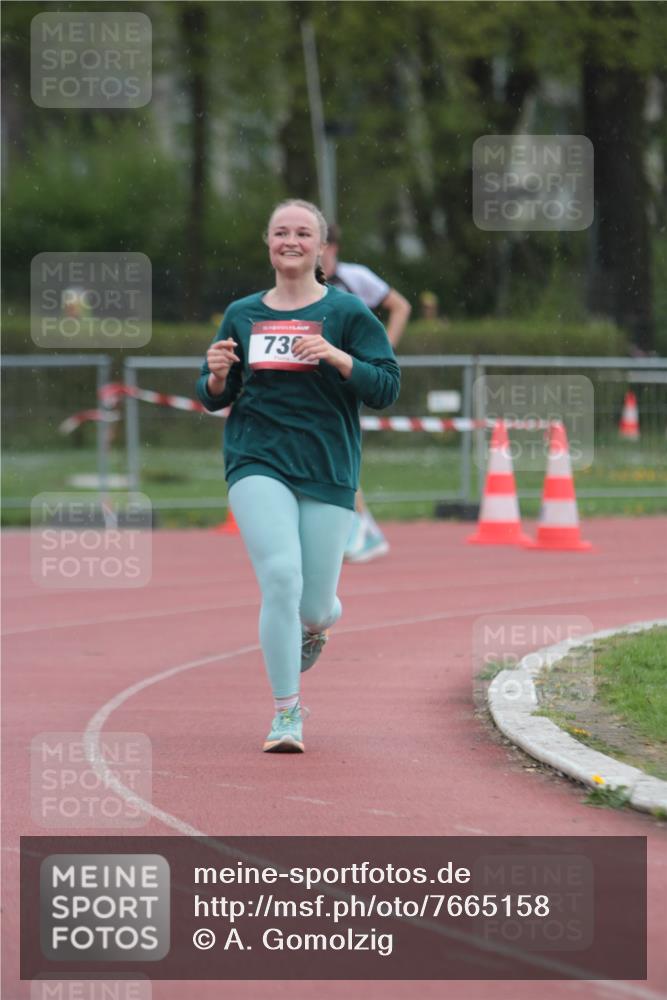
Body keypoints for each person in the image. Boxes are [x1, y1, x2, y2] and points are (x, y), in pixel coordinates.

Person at [196, 199, 400, 753]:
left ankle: (321, 622)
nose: (291, 240)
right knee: (281, 578)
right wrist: (215, 378)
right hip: (256, 459)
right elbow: (218, 396)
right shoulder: (242, 312)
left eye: (303, 233)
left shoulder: (349, 313)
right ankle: (287, 713)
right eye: (281, 232)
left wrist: (337, 357)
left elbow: (385, 388)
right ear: (268, 242)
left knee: (312, 605)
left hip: (328, 466)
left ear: (321, 245)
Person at [320, 224, 411, 563]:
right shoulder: (303, 286)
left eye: (325, 246)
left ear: (335, 248)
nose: (319, 253)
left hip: (352, 375)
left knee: (337, 445)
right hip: (319, 376)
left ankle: (359, 526)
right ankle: (362, 525)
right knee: (334, 447)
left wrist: (382, 352)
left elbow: (400, 306)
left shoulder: (356, 278)